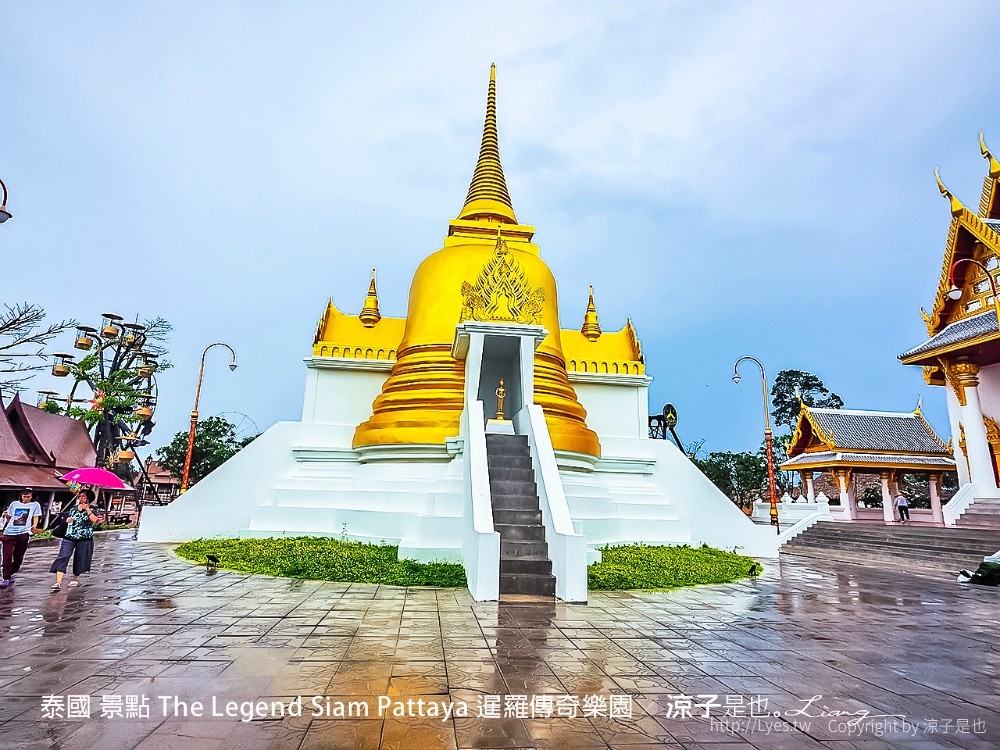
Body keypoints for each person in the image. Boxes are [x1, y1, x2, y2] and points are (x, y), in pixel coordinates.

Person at [49, 489, 100, 591]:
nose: (81, 498)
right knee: (63, 556)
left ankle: (75, 578)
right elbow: (70, 518)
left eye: (83, 496)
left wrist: (88, 510)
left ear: (88, 498)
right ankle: (58, 582)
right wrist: (68, 520)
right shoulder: (73, 508)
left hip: (84, 538)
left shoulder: (93, 509)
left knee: (80, 558)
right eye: (79, 496)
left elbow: (95, 521)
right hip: (70, 536)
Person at [1, 488, 43, 587]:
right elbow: (10, 517)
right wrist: (5, 515)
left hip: (23, 532)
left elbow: (36, 516)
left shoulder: (35, 505)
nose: (26, 498)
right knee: (6, 556)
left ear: (32, 496)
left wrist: (35, 526)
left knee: (18, 557)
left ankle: (11, 572)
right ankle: (6, 578)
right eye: (24, 496)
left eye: (28, 496)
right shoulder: (14, 504)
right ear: (21, 495)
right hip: (9, 532)